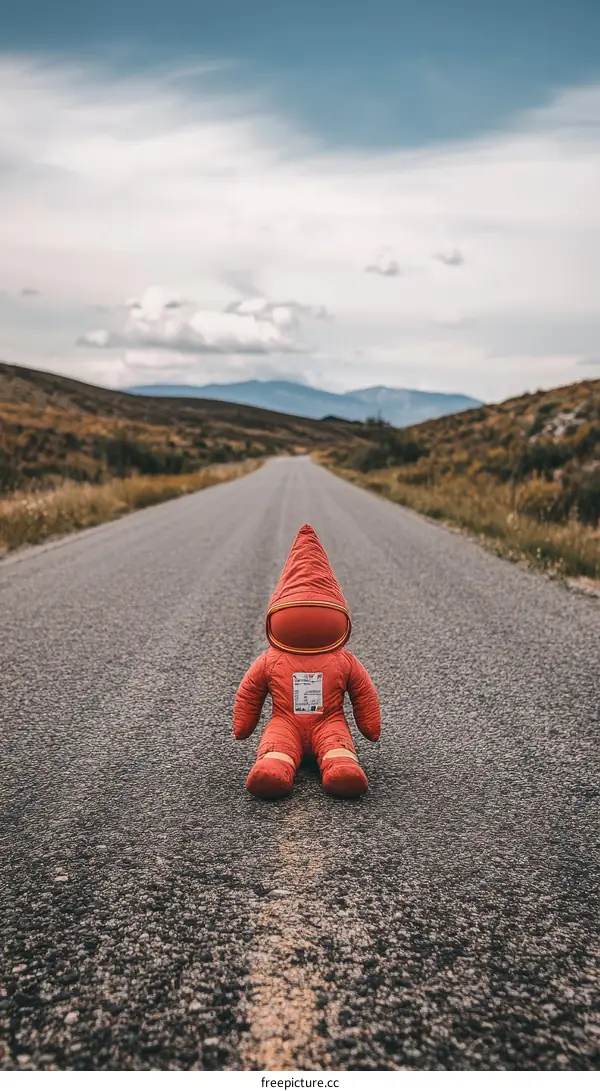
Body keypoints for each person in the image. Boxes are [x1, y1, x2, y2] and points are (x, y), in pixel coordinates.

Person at [233, 523, 381, 799]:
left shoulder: (276, 660)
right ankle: (292, 763)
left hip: (328, 722)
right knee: (281, 743)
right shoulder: (339, 660)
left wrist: (243, 728)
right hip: (286, 723)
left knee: (328, 742)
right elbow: (365, 695)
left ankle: (335, 764)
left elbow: (249, 694)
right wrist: (370, 729)